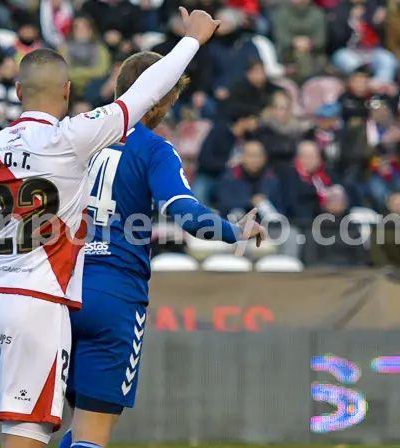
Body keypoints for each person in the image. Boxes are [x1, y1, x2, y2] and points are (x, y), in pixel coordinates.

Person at [0, 9, 224, 448]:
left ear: (17, 91)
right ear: (67, 92)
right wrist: (193, 41)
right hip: (36, 306)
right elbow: (146, 92)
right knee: (26, 441)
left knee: (25, 434)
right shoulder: (72, 137)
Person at [59, 51, 265, 448]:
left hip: (58, 288)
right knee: (92, 431)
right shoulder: (154, 148)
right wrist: (233, 231)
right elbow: (186, 214)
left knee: (57, 428)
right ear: (160, 101)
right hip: (114, 294)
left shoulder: (73, 131)